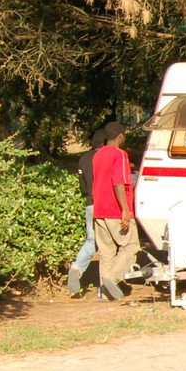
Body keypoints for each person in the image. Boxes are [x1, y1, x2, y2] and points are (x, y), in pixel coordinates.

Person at [91, 122, 139, 301]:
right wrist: (125, 210)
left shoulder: (98, 155)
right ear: (120, 136)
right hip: (114, 209)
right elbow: (119, 183)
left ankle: (105, 293)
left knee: (106, 251)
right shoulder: (119, 154)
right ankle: (111, 279)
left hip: (99, 210)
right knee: (131, 245)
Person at [66, 126, 102, 296]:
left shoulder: (83, 159)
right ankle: (107, 284)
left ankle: (77, 267)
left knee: (91, 240)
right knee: (111, 244)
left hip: (90, 203)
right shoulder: (105, 157)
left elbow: (83, 186)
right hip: (105, 204)